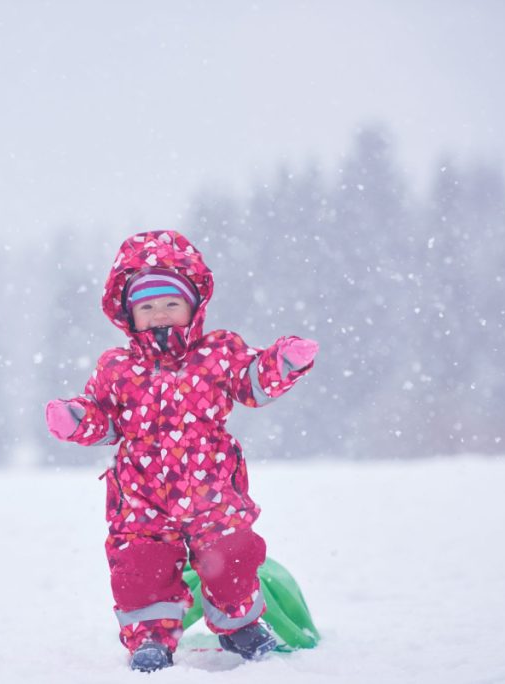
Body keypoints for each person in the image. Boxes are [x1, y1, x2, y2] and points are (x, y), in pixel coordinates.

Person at [45, 230, 318, 672]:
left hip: (213, 488)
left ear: (193, 306)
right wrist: (77, 419)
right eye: (147, 307)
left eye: (170, 304)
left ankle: (240, 624)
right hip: (141, 498)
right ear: (129, 316)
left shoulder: (217, 352)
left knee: (233, 553)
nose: (159, 316)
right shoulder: (117, 368)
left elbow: (251, 383)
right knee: (140, 567)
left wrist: (281, 363)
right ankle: (150, 638)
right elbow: (105, 420)